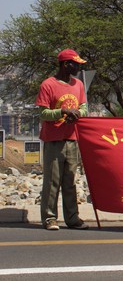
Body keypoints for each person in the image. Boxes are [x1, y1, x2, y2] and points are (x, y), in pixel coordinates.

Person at [35, 48, 89, 231]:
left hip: (72, 138)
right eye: (75, 64)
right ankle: (49, 218)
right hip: (53, 140)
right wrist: (62, 112)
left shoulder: (78, 85)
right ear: (66, 64)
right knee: (52, 182)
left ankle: (72, 218)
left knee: (70, 181)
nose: (78, 68)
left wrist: (77, 114)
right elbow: (43, 113)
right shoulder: (48, 85)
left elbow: (84, 108)